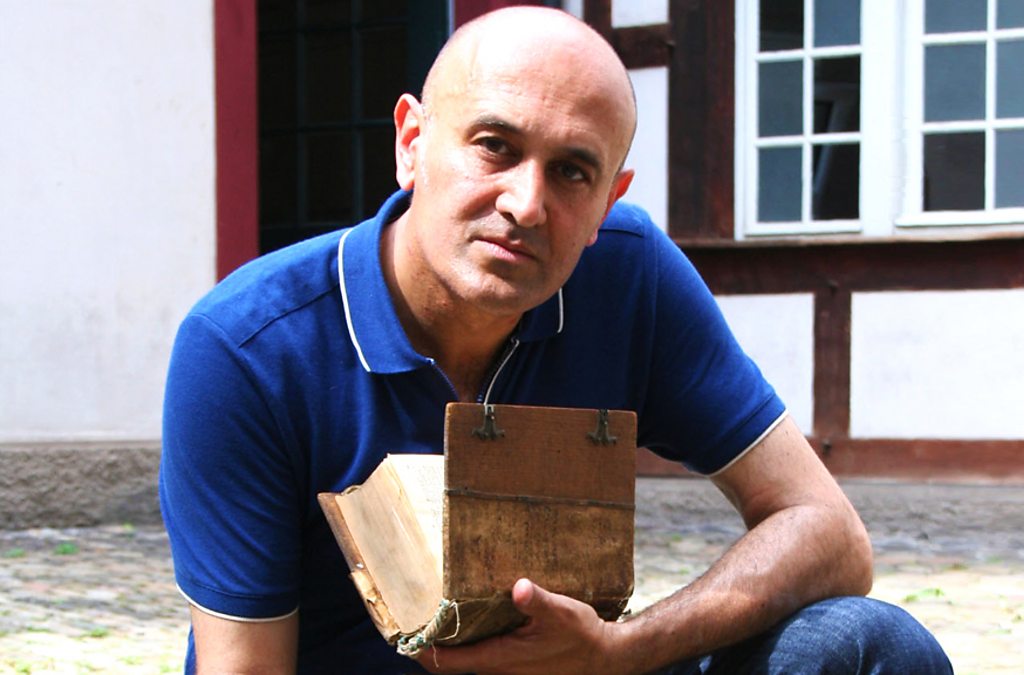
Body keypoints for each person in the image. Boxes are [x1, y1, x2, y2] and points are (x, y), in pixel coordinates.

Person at [160, 6, 952, 674]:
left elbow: (829, 532)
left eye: (573, 171)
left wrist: (618, 649)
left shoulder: (629, 275)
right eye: (494, 145)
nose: (526, 204)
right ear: (411, 142)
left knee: (869, 645)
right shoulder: (246, 349)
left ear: (609, 200)